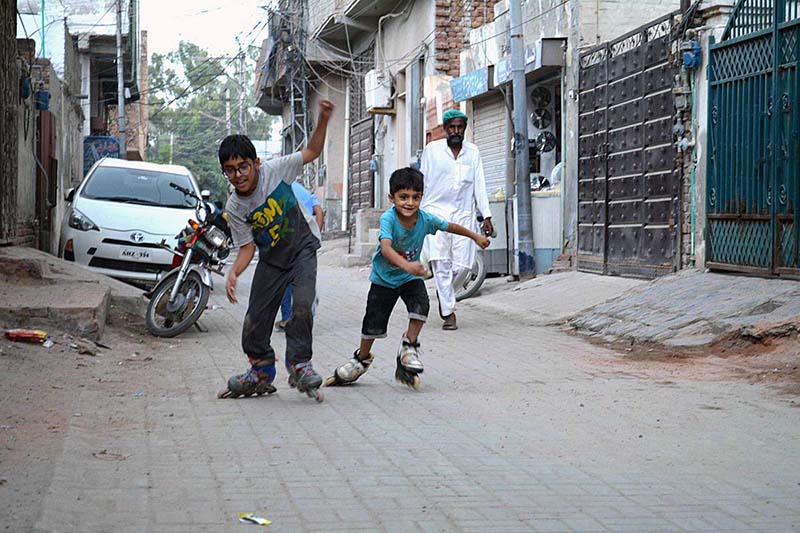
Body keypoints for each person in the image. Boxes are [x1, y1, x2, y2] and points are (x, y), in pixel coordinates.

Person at [324, 167, 489, 390]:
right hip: (384, 280)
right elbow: (385, 249)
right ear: (392, 198)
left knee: (421, 306)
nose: (409, 203)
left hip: (409, 279)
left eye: (415, 197)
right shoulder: (388, 219)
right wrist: (408, 266)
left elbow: (449, 226)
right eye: (403, 197)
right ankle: (361, 358)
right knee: (373, 324)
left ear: (422, 197)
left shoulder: (425, 219)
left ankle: (409, 347)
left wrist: (475, 236)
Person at [217, 99, 334, 402]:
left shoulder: (275, 170)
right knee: (255, 317)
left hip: (302, 250)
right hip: (271, 260)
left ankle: (299, 364)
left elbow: (312, 152)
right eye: (230, 170)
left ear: (255, 163)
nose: (238, 174)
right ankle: (260, 369)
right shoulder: (235, 205)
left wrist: (322, 119)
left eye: (243, 166)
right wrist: (234, 273)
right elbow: (246, 247)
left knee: (301, 306)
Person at [420, 108, 493, 331]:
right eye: (451, 127)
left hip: (464, 214)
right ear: (444, 128)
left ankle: (445, 294)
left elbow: (479, 184)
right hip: (435, 213)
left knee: (465, 265)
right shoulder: (432, 150)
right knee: (441, 262)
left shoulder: (473, 152)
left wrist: (487, 215)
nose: (456, 131)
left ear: (465, 128)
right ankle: (449, 312)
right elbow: (421, 181)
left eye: (460, 127)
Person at [275, 181, 324, 331]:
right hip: (307, 239)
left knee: (286, 280)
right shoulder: (304, 190)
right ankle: (305, 309)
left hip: (288, 239)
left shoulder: (278, 190)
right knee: (304, 277)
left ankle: (287, 318)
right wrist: (316, 233)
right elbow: (319, 211)